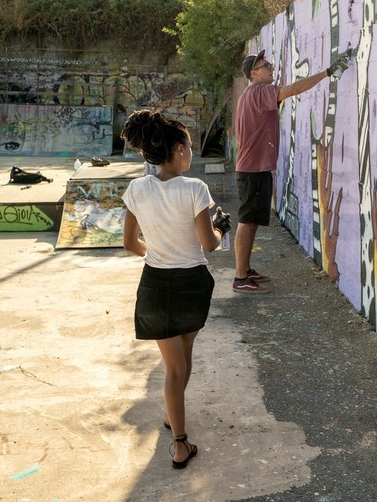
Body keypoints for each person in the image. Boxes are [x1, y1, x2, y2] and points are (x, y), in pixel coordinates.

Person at [120, 109, 232, 470]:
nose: (191, 152)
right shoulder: (195, 189)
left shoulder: (137, 189)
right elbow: (209, 244)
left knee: (172, 365)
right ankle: (180, 442)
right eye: (189, 146)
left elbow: (129, 242)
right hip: (191, 284)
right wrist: (220, 227)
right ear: (179, 150)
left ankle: (174, 415)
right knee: (182, 358)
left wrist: (155, 253)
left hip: (154, 285)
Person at [232, 49, 349, 293]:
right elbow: (294, 89)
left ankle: (245, 269)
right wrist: (327, 72)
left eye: (270, 64)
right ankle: (240, 279)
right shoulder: (260, 91)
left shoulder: (250, 94)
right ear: (254, 73)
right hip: (252, 170)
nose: (271, 68)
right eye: (266, 66)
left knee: (251, 222)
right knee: (246, 222)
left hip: (254, 168)